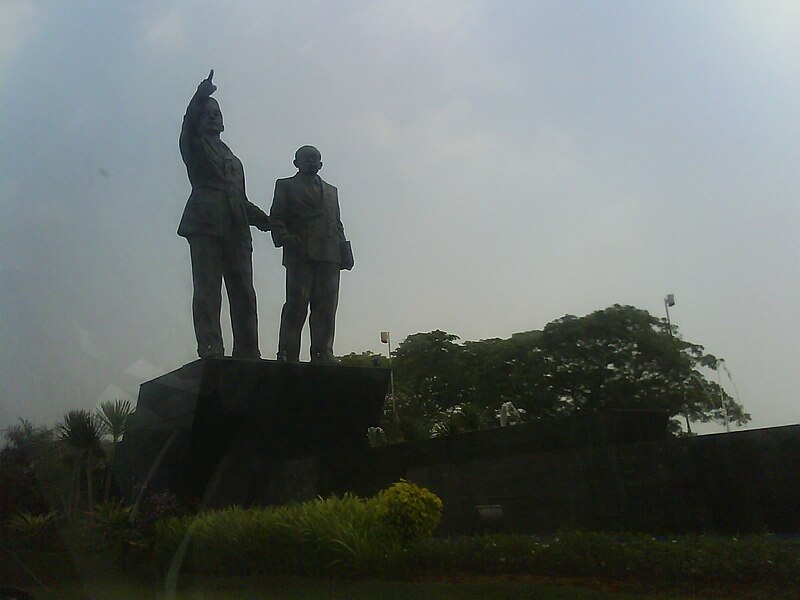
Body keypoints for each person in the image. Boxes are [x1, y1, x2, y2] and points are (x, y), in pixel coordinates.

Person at [178, 70, 270, 359]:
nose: (214, 117)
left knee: (244, 291)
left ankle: (247, 350)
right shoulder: (194, 145)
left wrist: (266, 220)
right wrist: (200, 95)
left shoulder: (234, 159)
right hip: (205, 222)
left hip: (237, 227)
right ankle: (211, 346)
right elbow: (189, 124)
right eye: (208, 113)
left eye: (217, 113)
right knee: (208, 291)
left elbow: (240, 199)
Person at [270, 145, 353, 363]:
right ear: (296, 163)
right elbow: (276, 217)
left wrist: (344, 249)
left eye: (315, 159)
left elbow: (337, 223)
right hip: (300, 252)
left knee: (326, 305)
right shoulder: (285, 186)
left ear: (321, 164)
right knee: (297, 303)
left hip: (329, 254)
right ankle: (288, 352)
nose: (311, 162)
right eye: (306, 158)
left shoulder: (332, 191)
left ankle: (322, 351)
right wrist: (285, 237)